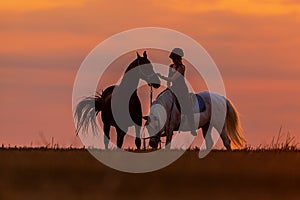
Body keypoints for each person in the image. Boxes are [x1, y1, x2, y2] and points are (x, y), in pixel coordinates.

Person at [157, 48, 197, 136]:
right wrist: (168, 87)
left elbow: (173, 78)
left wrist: (161, 77)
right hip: (173, 88)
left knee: (186, 105)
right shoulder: (171, 66)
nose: (173, 60)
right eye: (172, 59)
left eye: (174, 58)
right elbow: (169, 80)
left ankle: (192, 127)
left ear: (178, 58)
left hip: (182, 89)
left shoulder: (182, 67)